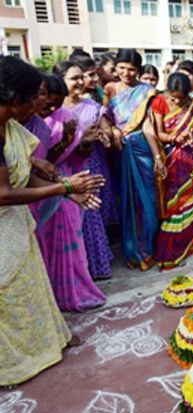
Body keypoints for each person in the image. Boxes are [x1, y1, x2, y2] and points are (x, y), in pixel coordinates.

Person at [0, 56, 104, 386]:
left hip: (15, 226)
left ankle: (41, 346)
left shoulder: (10, 126)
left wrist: (65, 193)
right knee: (10, 299)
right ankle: (14, 362)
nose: (41, 104)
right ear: (15, 99)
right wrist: (64, 186)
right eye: (35, 97)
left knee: (31, 288)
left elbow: (21, 177)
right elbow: (2, 193)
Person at [31, 73, 107, 311]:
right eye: (46, 100)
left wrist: (84, 143)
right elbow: (37, 163)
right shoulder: (25, 122)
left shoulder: (67, 118)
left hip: (63, 181)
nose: (50, 107)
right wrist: (62, 145)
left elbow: (75, 159)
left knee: (69, 240)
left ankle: (72, 291)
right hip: (35, 189)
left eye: (56, 102)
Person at [53, 61, 116, 280]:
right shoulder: (52, 109)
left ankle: (95, 266)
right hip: (58, 171)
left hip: (88, 165)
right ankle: (71, 273)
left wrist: (105, 136)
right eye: (73, 78)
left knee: (89, 215)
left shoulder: (91, 106)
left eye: (82, 77)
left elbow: (104, 133)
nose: (80, 82)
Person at [105, 49, 159, 270]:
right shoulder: (109, 89)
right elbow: (103, 118)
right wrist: (114, 131)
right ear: (116, 68)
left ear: (138, 70)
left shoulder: (147, 91)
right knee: (126, 199)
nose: (126, 73)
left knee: (146, 199)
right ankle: (131, 248)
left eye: (132, 69)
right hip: (120, 150)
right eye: (122, 68)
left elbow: (148, 124)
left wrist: (157, 155)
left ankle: (147, 248)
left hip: (142, 149)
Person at [150, 73, 193, 269]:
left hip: (190, 159)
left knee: (189, 202)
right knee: (173, 204)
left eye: (182, 98)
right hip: (170, 157)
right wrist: (176, 138)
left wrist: (192, 137)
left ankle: (189, 242)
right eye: (173, 97)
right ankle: (170, 248)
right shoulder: (159, 102)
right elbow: (159, 134)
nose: (177, 101)